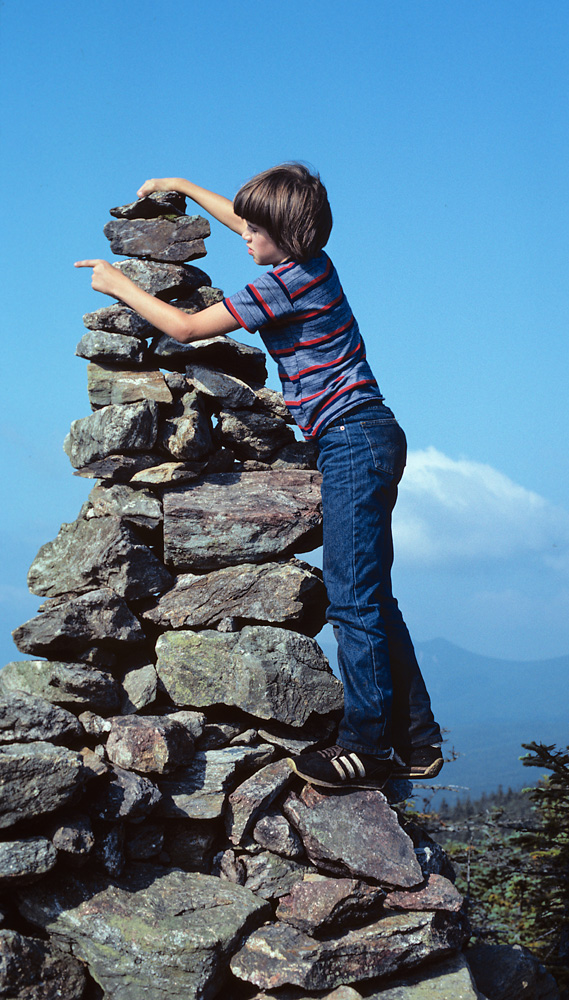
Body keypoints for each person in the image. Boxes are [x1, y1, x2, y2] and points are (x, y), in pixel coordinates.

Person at [75, 163, 443, 790]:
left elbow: (188, 328)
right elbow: (248, 221)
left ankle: (368, 748)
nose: (243, 234)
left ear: (286, 234)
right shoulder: (312, 263)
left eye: (256, 228)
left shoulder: (284, 285)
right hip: (366, 435)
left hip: (353, 441)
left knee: (352, 599)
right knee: (369, 592)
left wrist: (120, 286)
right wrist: (186, 188)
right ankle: (416, 739)